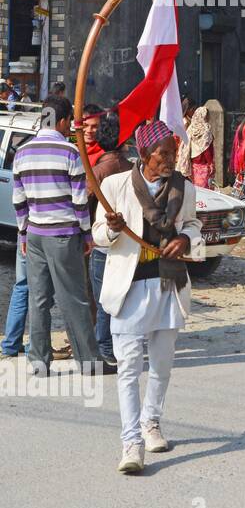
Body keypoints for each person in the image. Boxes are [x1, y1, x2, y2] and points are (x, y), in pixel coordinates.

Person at [93, 121, 203, 474]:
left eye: (173, 153)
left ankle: (151, 423)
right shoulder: (114, 185)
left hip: (168, 285)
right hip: (129, 288)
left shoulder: (183, 189)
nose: (171, 160)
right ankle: (131, 443)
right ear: (143, 155)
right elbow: (96, 235)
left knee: (161, 365)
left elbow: (194, 225)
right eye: (163, 154)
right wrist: (111, 228)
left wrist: (185, 239)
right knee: (128, 369)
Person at [12, 95, 103, 375]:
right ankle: (88, 362)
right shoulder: (69, 152)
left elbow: (19, 201)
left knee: (39, 299)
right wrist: (87, 234)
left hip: (36, 234)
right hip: (64, 234)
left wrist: (24, 235)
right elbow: (79, 202)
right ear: (63, 121)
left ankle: (38, 361)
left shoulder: (22, 152)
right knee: (74, 298)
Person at [89, 109, 133, 365]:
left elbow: (84, 202)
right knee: (121, 297)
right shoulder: (130, 168)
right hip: (125, 244)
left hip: (103, 243)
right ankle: (115, 345)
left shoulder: (99, 171)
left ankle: (105, 347)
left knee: (104, 298)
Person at [186, 106, 215, 189]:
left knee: (194, 190)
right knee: (204, 191)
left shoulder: (191, 128)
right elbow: (206, 149)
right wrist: (211, 164)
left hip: (193, 165)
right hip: (203, 165)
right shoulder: (206, 129)